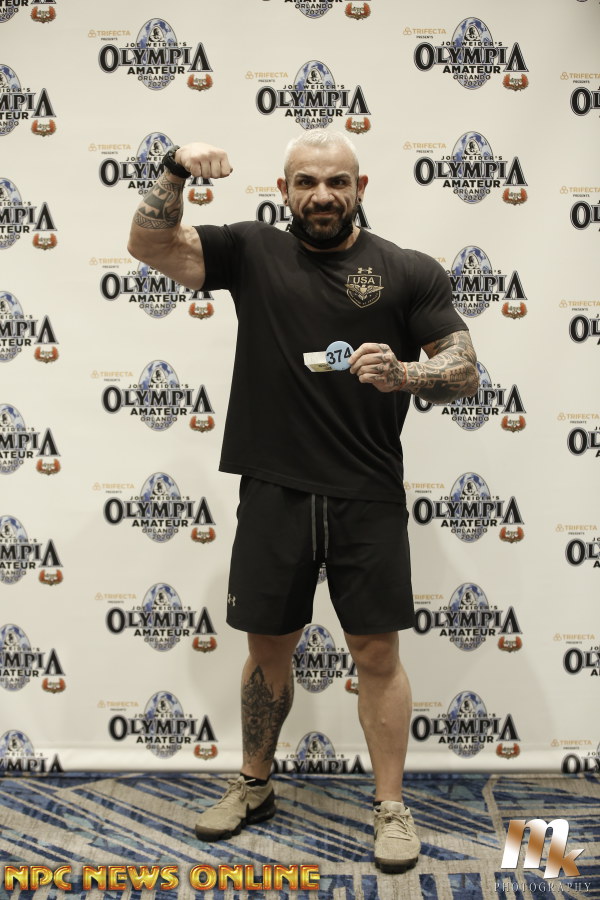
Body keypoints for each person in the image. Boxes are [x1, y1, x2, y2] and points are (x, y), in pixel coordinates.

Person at [127, 130, 478, 874]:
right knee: (267, 650)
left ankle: (390, 806)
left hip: (367, 493)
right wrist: (173, 171)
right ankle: (255, 784)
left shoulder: (407, 269)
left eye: (337, 182)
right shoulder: (251, 250)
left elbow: (465, 370)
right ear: (284, 190)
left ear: (360, 187)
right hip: (274, 489)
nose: (323, 195)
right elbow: (150, 245)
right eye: (307, 182)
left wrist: (407, 375)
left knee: (376, 655)